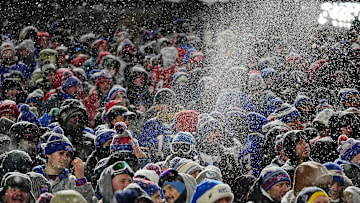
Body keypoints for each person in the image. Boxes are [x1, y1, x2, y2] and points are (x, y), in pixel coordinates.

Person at [32, 133, 96, 203]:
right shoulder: (33, 178)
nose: (65, 158)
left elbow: (90, 201)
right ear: (48, 154)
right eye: (61, 153)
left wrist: (81, 179)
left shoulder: (73, 181)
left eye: (68, 155)